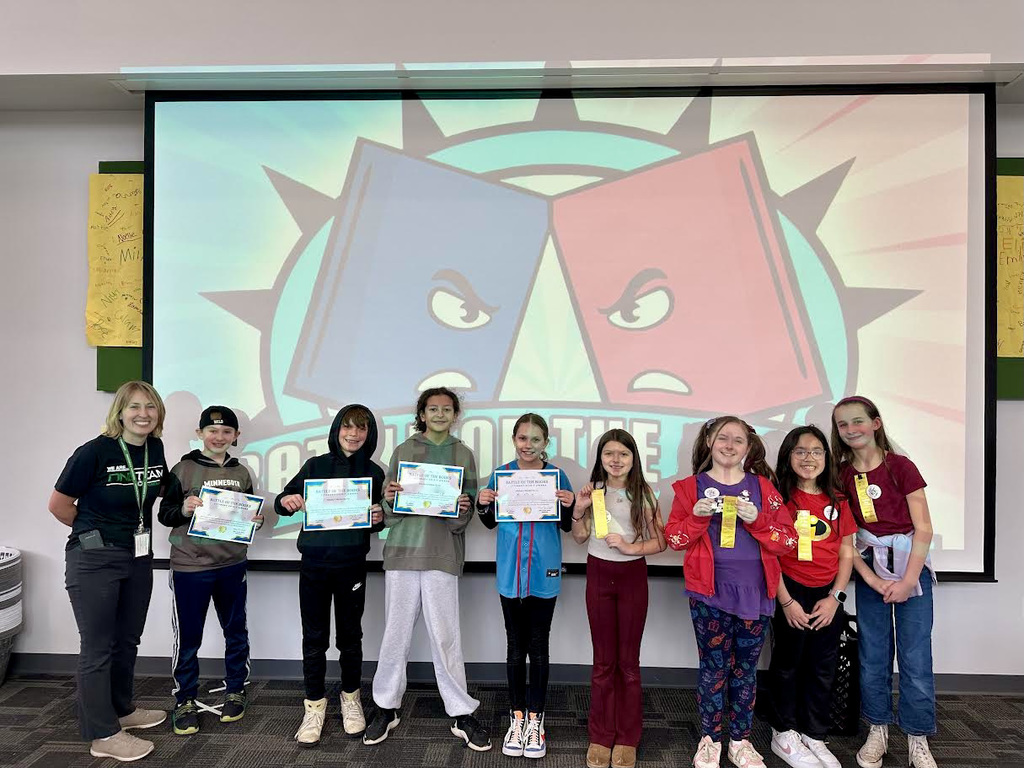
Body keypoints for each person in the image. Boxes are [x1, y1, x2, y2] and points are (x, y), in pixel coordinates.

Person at [363, 387, 491, 751]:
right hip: (403, 552)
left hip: (442, 554)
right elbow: (390, 509)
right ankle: (386, 707)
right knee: (395, 635)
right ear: (421, 414)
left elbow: (462, 517)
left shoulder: (463, 453)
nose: (439, 414)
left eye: (446, 409)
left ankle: (461, 711)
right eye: (432, 409)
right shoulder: (404, 450)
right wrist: (389, 499)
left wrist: (462, 507)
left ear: (455, 415)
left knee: (446, 635)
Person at [665, 416, 797, 768]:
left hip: (755, 594)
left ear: (748, 447)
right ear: (709, 441)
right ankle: (710, 740)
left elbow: (787, 542)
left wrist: (759, 521)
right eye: (723, 437)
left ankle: (740, 741)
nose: (729, 445)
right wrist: (694, 517)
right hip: (709, 594)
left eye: (738, 440)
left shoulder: (764, 489)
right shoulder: (688, 488)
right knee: (713, 668)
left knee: (745, 671)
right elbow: (674, 539)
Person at [49, 381, 170, 762]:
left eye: (150, 407)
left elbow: (160, 491)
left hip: (138, 556)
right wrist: (93, 537)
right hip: (95, 560)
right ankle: (102, 733)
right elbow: (59, 505)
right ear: (119, 411)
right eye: (134, 406)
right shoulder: (93, 452)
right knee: (98, 646)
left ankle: (122, 710)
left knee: (127, 639)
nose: (143, 414)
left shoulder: (155, 448)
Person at [832, 396, 937, 768]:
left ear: (876, 423)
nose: (850, 430)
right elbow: (847, 538)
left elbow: (923, 526)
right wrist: (872, 581)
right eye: (843, 425)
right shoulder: (843, 475)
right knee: (873, 657)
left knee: (915, 657)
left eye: (857, 421)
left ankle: (918, 736)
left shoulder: (901, 467)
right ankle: (878, 728)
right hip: (870, 572)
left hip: (911, 573)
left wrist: (908, 581)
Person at [275, 404, 386, 746]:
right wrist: (288, 500)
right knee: (315, 638)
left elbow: (382, 517)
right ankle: (314, 705)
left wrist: (379, 516)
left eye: (361, 429)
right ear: (337, 429)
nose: (353, 435)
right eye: (347, 428)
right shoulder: (315, 465)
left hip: (352, 564)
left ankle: (351, 699)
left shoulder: (374, 472)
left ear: (369, 434)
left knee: (350, 638)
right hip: (314, 565)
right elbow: (282, 501)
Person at [158, 406, 263, 735]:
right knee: (188, 637)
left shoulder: (242, 472)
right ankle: (185, 698)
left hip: (232, 563)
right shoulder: (182, 468)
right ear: (200, 432)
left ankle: (236, 688)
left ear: (236, 437)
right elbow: (165, 514)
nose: (219, 437)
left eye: (227, 432)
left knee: (236, 630)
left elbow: (246, 512)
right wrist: (184, 509)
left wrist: (253, 520)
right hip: (190, 565)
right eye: (212, 431)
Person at [477, 413, 575, 759]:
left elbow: (564, 526)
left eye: (535, 439)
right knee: (515, 648)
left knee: (539, 647)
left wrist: (570, 505)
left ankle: (537, 719)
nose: (528, 445)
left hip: (543, 570)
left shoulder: (556, 477)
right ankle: (516, 717)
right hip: (510, 573)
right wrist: (483, 504)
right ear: (514, 440)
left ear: (545, 443)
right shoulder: (502, 475)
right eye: (522, 438)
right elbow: (489, 522)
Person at [571, 429, 666, 768]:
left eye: (623, 454)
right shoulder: (593, 493)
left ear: (633, 458)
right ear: (600, 458)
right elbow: (580, 538)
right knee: (602, 662)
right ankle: (600, 736)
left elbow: (661, 542)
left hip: (632, 578)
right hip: (598, 575)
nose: (615, 460)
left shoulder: (643, 493)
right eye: (608, 454)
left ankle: (627, 738)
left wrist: (630, 548)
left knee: (628, 663)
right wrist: (579, 510)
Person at [766, 426, 857, 768]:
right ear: (788, 456)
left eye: (817, 451)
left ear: (826, 457)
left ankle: (814, 733)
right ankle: (783, 732)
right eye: (800, 451)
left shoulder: (838, 500)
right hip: (789, 588)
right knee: (788, 664)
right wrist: (786, 601)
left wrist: (835, 596)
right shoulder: (778, 499)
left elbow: (847, 553)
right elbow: (769, 554)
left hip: (828, 594)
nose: (809, 458)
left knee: (823, 666)